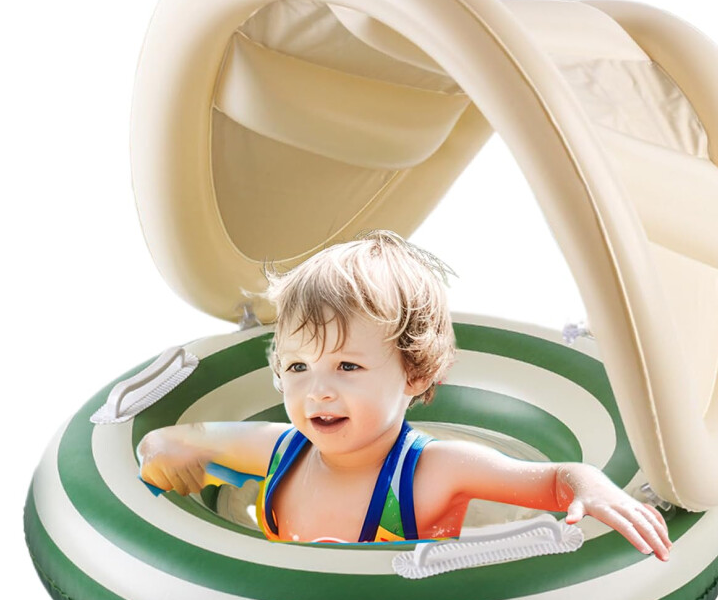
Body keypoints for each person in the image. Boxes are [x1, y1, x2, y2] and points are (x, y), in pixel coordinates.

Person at [138, 231, 671, 559]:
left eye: (347, 366)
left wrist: (594, 490)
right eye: (299, 366)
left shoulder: (434, 472)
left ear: (414, 374)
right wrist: (159, 448)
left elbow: (556, 480)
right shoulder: (279, 451)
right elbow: (177, 440)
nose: (318, 390)